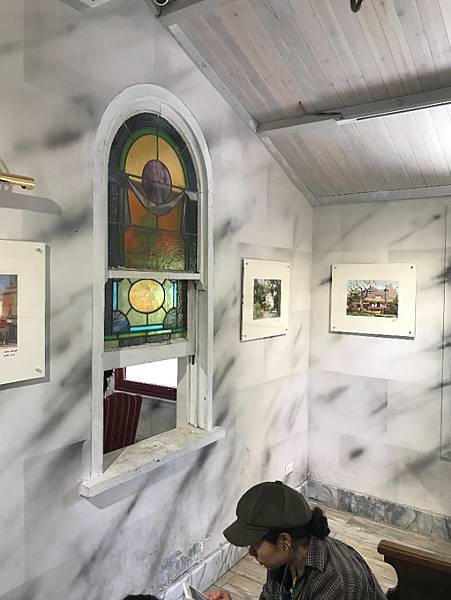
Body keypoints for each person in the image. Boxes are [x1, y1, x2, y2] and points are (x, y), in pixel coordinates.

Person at [208, 481, 386, 600]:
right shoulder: (285, 558)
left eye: (255, 544)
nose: (251, 552)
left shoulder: (331, 581)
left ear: (284, 541)